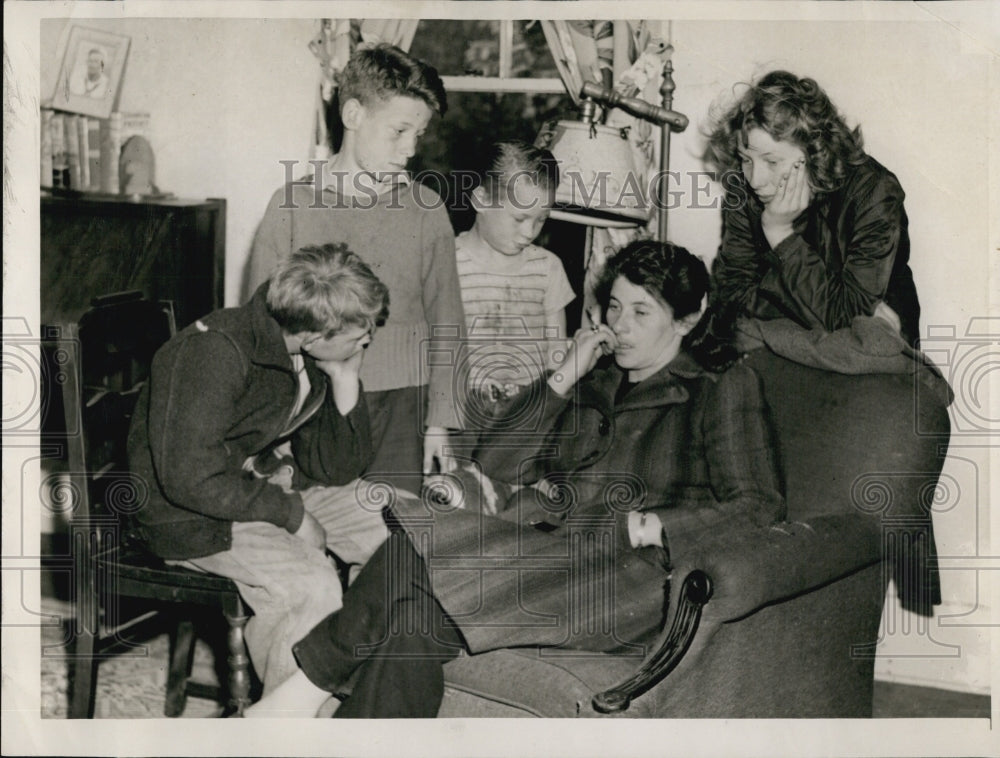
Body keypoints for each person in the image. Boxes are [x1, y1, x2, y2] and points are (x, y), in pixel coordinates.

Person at [243, 239, 785, 718]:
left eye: (642, 312)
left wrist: (657, 526)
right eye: (615, 306)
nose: (619, 325)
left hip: (624, 578)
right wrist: (563, 377)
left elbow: (759, 504)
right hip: (544, 552)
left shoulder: (720, 388)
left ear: (688, 319)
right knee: (413, 604)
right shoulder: (593, 382)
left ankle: (303, 691)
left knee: (416, 573)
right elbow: (495, 464)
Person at [127, 243, 392, 694]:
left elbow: (335, 470)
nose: (367, 340)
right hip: (190, 514)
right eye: (360, 333)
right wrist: (291, 515)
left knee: (401, 530)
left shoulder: (303, 350)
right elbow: (190, 477)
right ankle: (286, 721)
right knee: (311, 588)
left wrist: (346, 379)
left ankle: (362, 690)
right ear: (315, 334)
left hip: (251, 488)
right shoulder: (213, 351)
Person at [244, 43, 466, 492]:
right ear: (353, 115)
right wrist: (265, 429)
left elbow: (449, 321)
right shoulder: (290, 205)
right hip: (313, 404)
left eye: (419, 134)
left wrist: (440, 421)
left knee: (396, 526)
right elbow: (259, 327)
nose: (410, 149)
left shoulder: (427, 210)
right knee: (316, 522)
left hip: (403, 405)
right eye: (399, 131)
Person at [704, 70, 921, 347]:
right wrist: (823, 309)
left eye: (772, 162)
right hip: (782, 344)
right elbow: (728, 299)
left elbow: (851, 319)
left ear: (815, 151)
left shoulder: (874, 193)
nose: (755, 179)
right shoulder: (743, 187)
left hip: (871, 352)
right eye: (746, 159)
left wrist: (781, 236)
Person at [454, 141, 575, 412]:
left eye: (541, 219)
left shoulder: (548, 268)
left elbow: (556, 352)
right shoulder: (446, 263)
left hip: (529, 410)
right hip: (462, 410)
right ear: (481, 199)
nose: (530, 232)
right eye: (519, 218)